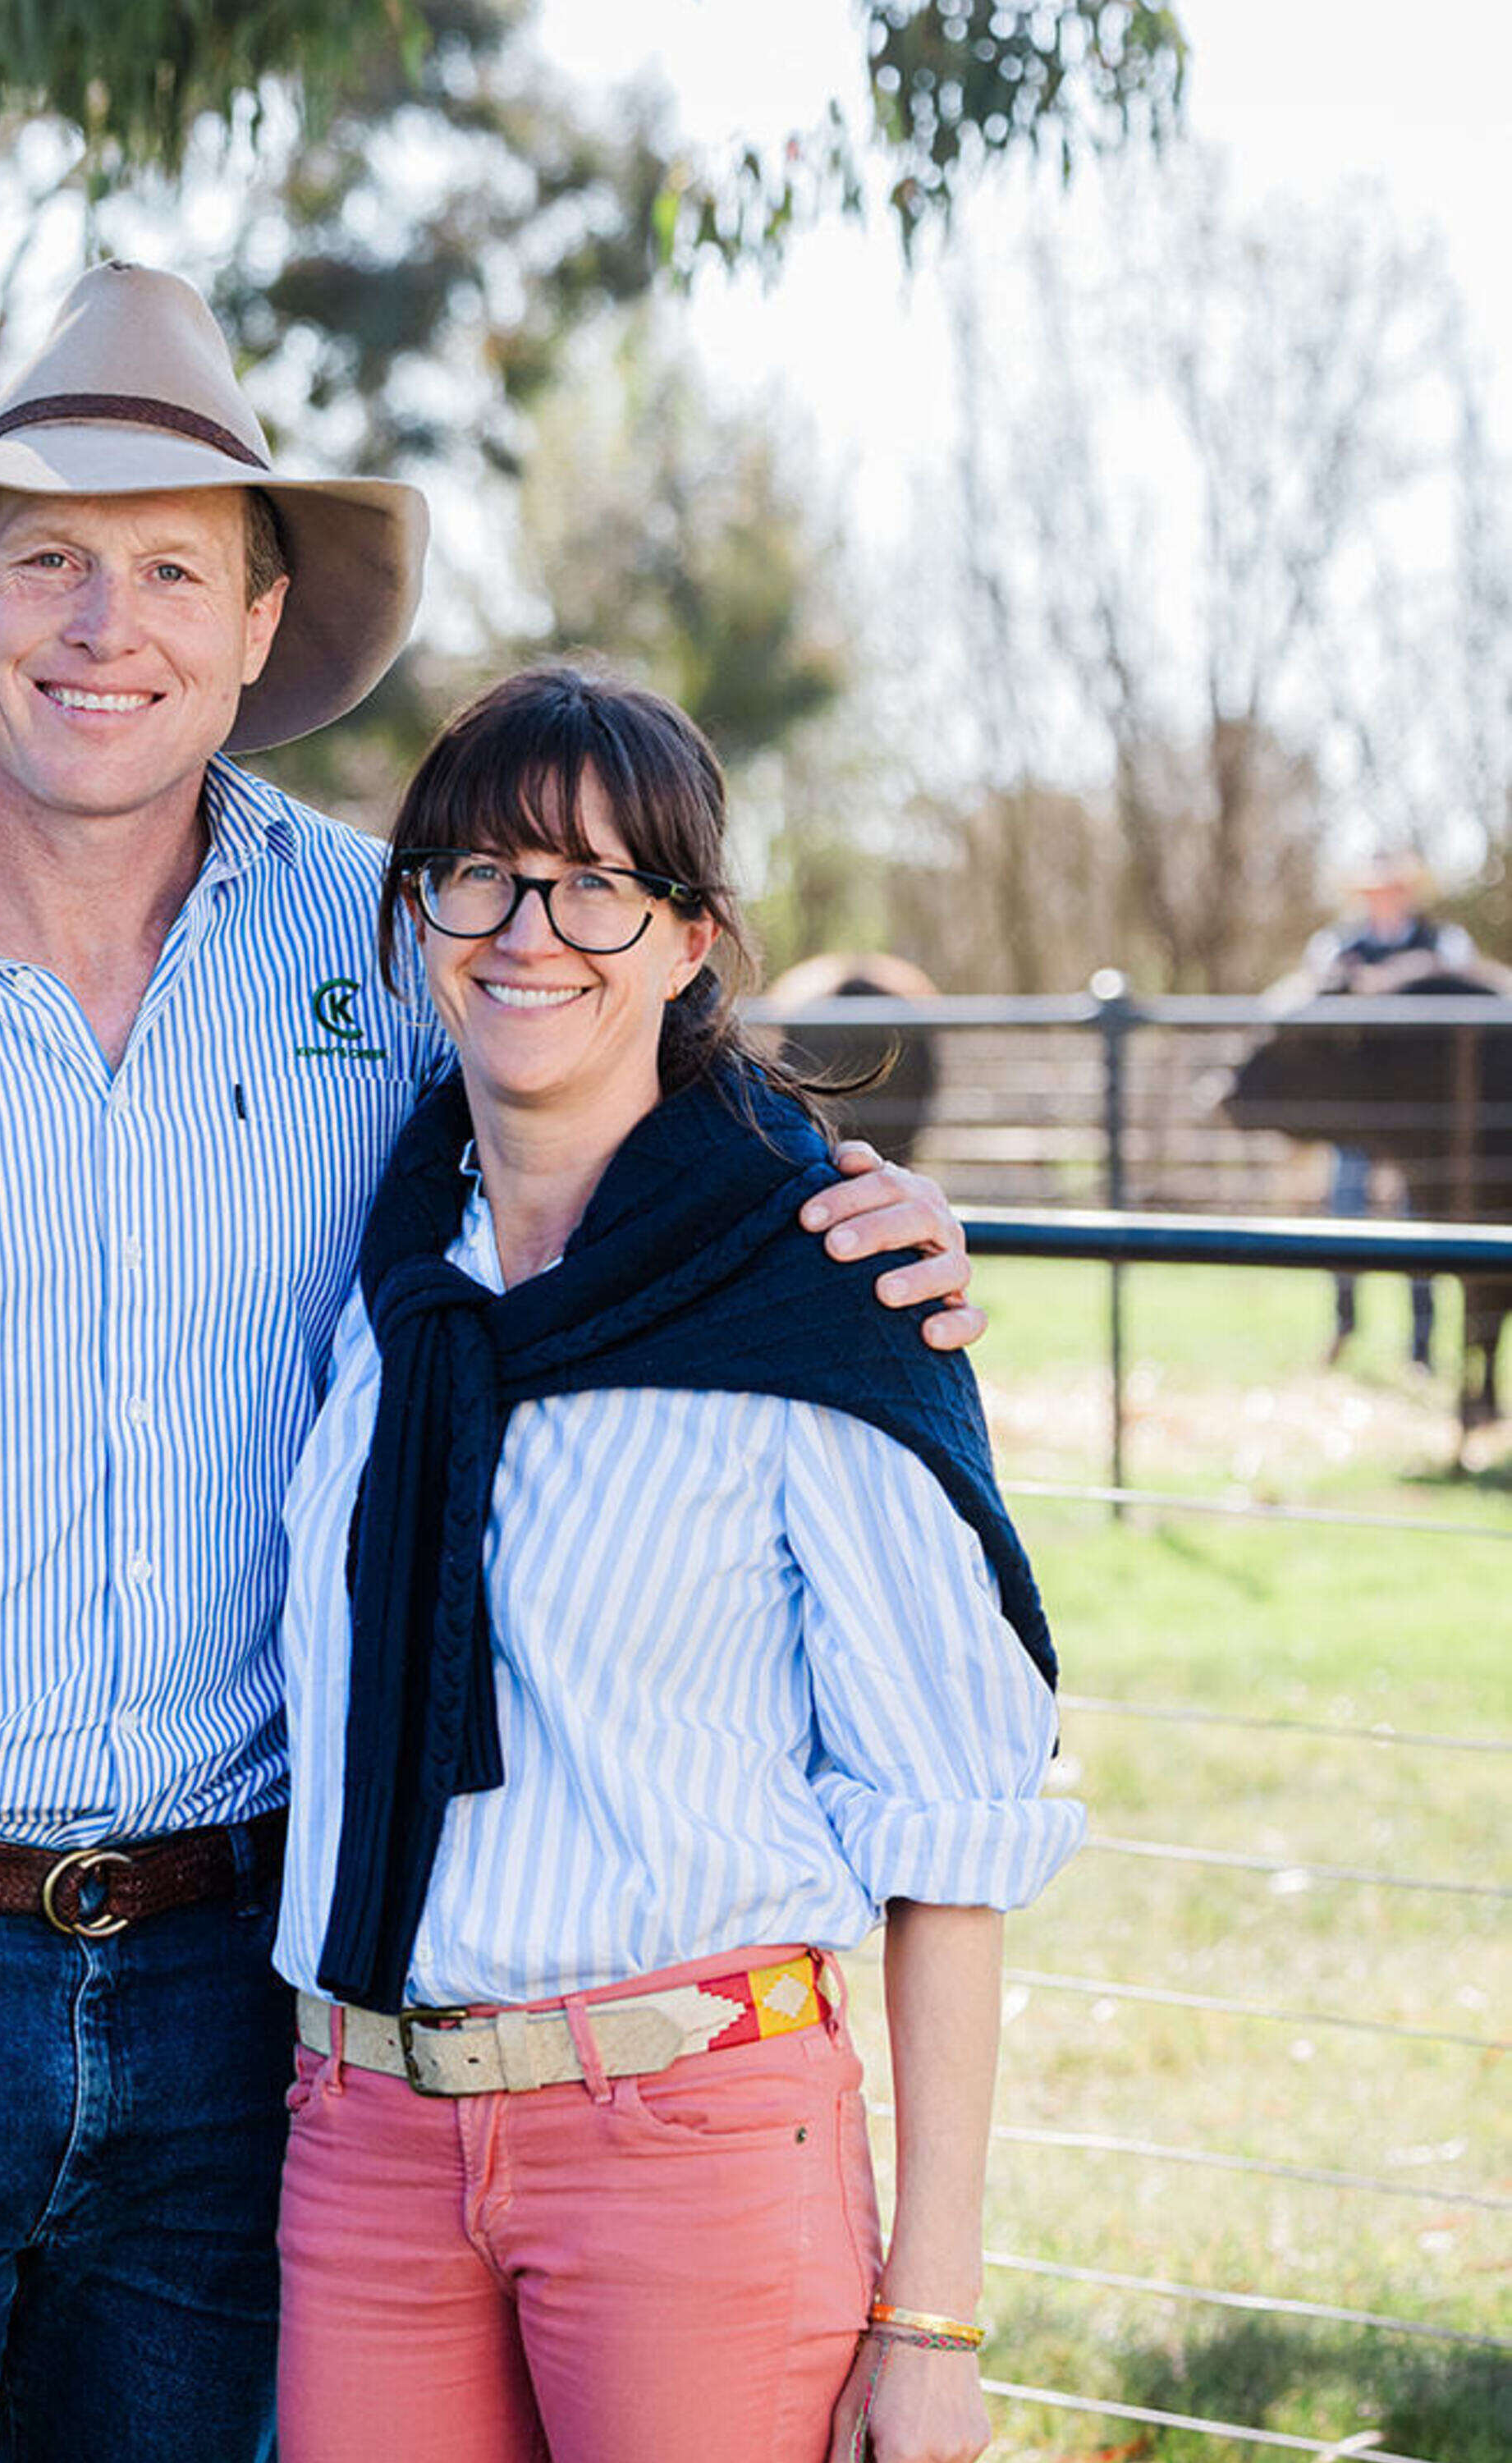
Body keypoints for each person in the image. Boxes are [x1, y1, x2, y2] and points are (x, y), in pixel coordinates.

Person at [0, 266, 988, 2463]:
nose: (109, 622)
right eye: (53, 557)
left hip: (237, 1991)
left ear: (262, 630)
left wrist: (853, 1215)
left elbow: (620, 1082)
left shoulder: (378, 939)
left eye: (176, 567)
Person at [270, 668, 1082, 2463]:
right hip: (366, 2134)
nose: (527, 930)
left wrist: (930, 2316)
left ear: (690, 935)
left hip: (690, 2141)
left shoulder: (818, 1297)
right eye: (475, 872)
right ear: (417, 915)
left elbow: (951, 1820)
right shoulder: (382, 1273)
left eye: (595, 884)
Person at [1305, 852, 1474, 1369]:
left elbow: (1461, 981)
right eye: (1376, 889)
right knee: (1346, 1217)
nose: (1385, 896)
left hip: (1418, 1117)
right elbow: (1316, 987)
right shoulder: (1337, 945)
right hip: (1359, 1116)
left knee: (1417, 1227)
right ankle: (1344, 1324)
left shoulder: (1442, 941)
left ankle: (1421, 1347)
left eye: (1394, 888)